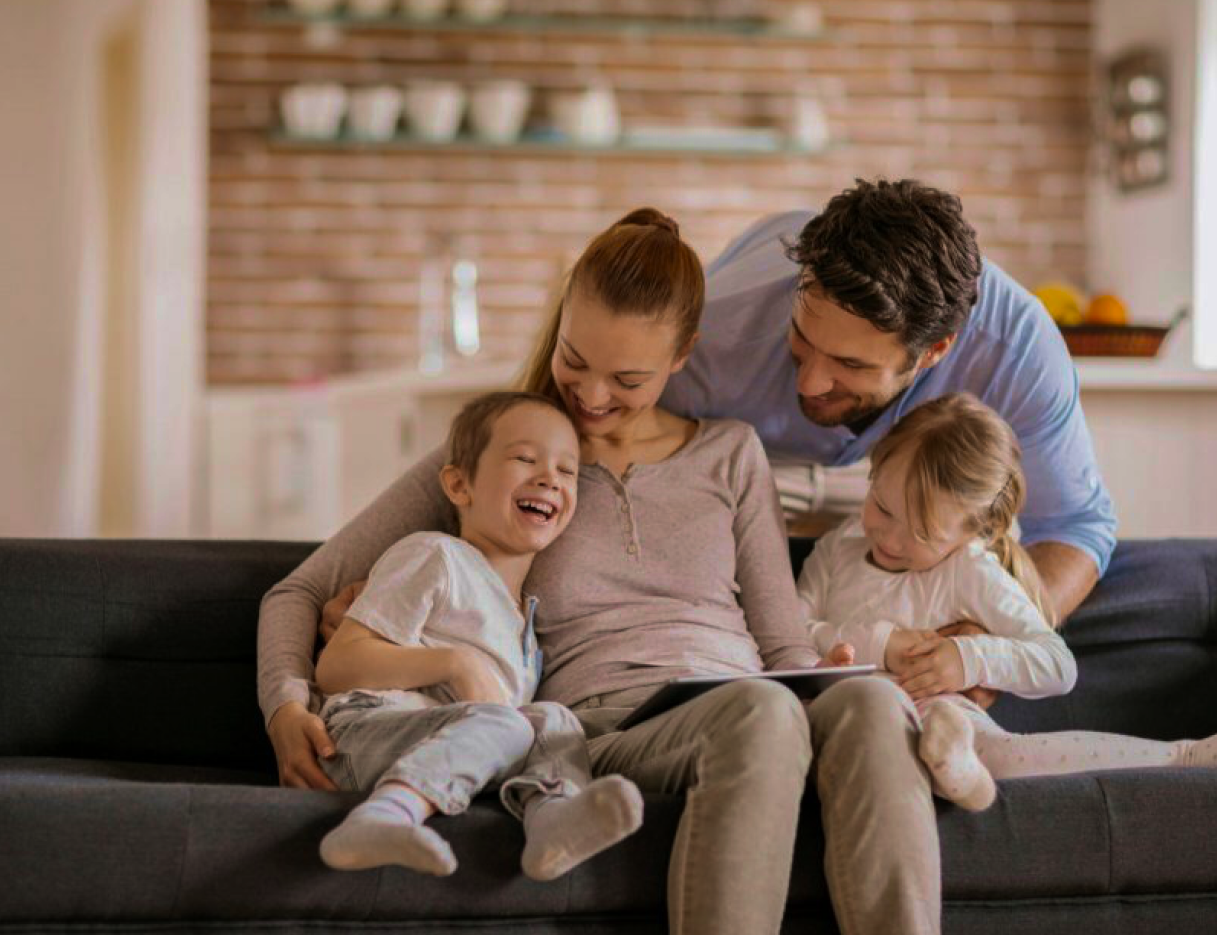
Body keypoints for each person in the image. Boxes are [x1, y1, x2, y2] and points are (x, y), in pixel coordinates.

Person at [260, 208, 939, 934]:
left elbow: (780, 641)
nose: (589, 396)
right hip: (615, 724)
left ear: (683, 356)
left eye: (627, 378)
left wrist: (822, 670)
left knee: (870, 704)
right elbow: (300, 587)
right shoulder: (512, 457)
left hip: (746, 692)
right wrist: (284, 706)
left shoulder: (732, 454)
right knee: (763, 710)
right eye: (573, 360)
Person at [659, 178, 1118, 626]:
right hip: (739, 452)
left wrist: (986, 645)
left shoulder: (1015, 349)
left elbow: (1073, 526)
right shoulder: (708, 336)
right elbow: (598, 401)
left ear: (936, 350)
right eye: (800, 337)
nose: (810, 383)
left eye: (851, 364)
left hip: (885, 482)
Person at [798, 392, 1217, 812]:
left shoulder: (969, 567)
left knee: (1002, 750)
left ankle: (1183, 756)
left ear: (973, 532)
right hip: (850, 717)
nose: (888, 534)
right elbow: (789, 628)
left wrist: (967, 658)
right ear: (874, 470)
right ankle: (955, 772)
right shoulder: (839, 547)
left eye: (922, 532)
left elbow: (1055, 664)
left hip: (935, 713)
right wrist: (880, 644)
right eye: (881, 505)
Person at [312, 391, 644, 880]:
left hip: (453, 746)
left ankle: (551, 820)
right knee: (509, 725)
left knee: (553, 718)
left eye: (567, 470)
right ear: (460, 485)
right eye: (525, 459)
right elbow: (337, 666)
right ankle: (384, 814)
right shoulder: (435, 556)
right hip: (363, 735)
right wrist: (455, 664)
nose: (549, 477)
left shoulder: (523, 624)